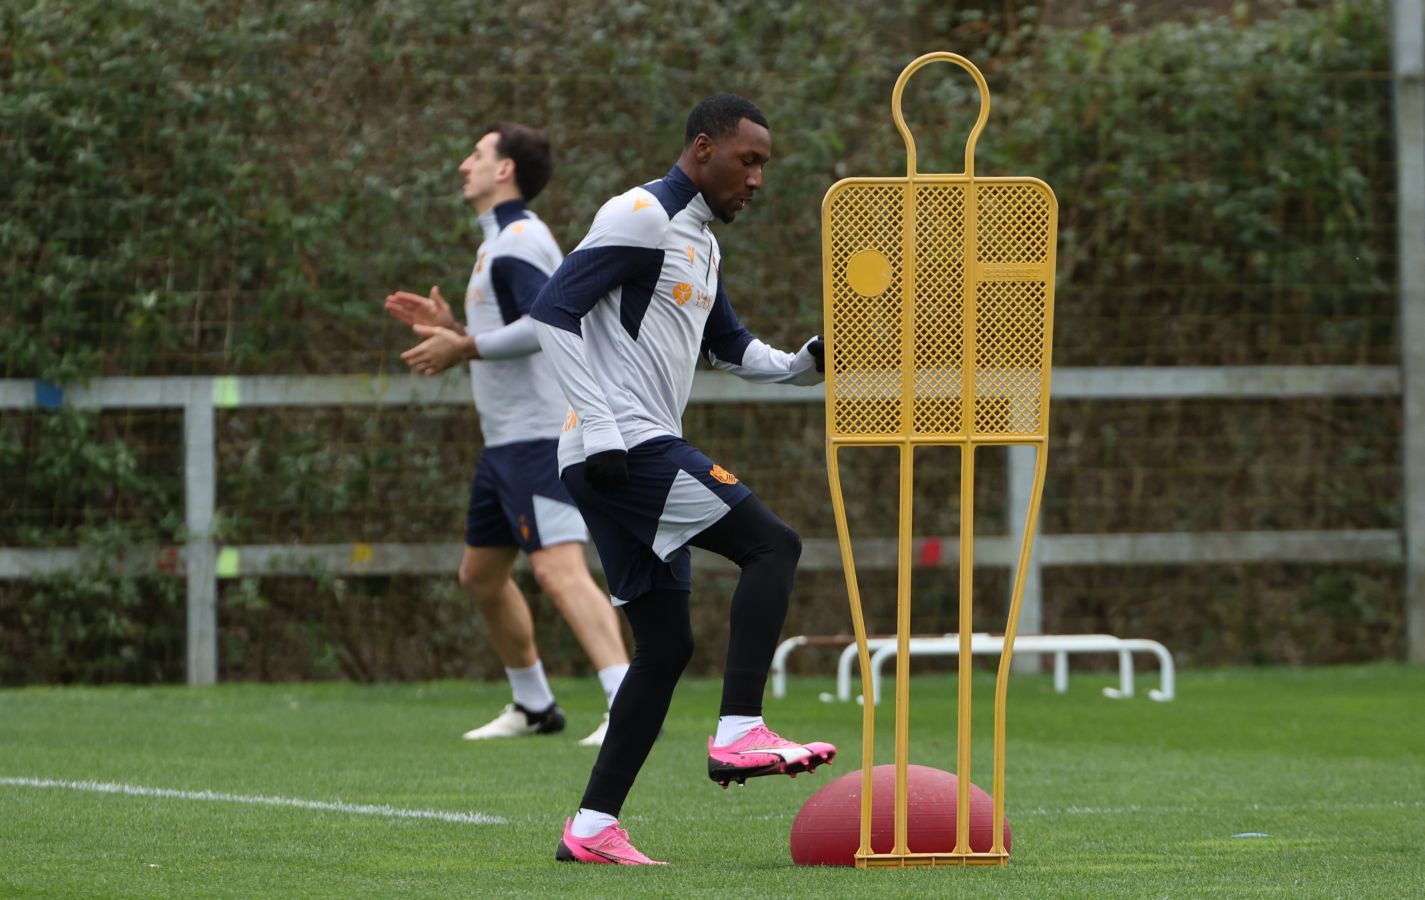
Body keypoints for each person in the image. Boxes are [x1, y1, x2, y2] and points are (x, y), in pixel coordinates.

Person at [530, 94, 833, 865]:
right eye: (748, 160)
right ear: (702, 148)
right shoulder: (639, 215)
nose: (757, 179)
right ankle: (739, 731)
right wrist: (600, 424)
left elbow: (731, 348)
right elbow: (552, 311)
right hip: (623, 447)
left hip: (616, 454)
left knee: (664, 645)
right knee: (774, 545)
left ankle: (592, 827)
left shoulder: (699, 241)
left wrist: (803, 365)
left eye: (763, 165)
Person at [385, 123, 629, 748]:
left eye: (476, 155)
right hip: (505, 444)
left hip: (540, 437)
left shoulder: (518, 239)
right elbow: (515, 323)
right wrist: (451, 324)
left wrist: (463, 345)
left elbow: (544, 324)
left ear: (505, 171)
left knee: (558, 569)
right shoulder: (501, 242)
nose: (463, 164)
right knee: (482, 576)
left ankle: (626, 702)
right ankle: (534, 704)